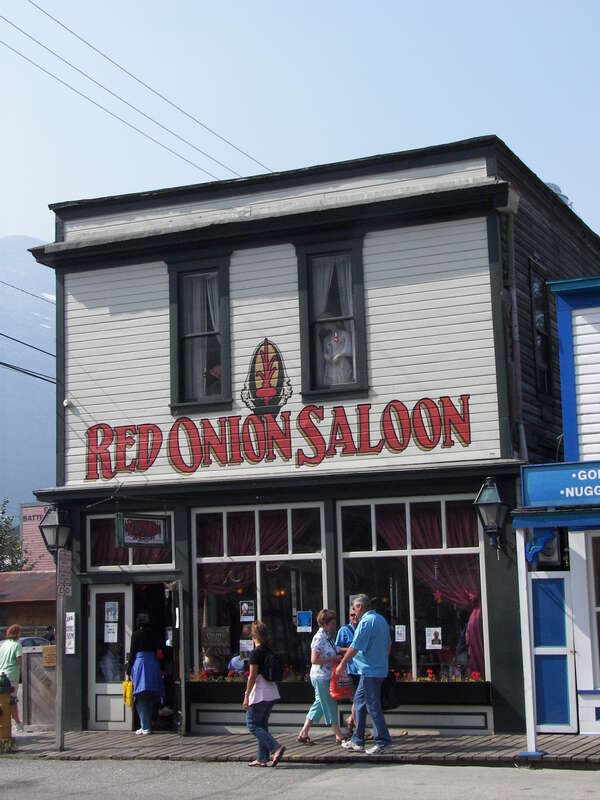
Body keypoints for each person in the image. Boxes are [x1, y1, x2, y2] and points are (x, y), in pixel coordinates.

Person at [336, 594, 393, 755]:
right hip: (373, 669)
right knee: (359, 703)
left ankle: (383, 742)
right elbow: (388, 644)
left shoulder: (367, 622)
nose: (354, 612)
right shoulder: (380, 619)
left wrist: (342, 664)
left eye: (354, 608)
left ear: (360, 607)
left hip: (370, 671)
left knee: (372, 706)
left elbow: (355, 646)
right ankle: (357, 740)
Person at [297, 609, 344, 745]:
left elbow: (336, 649)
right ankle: (338, 734)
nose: (334, 625)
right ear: (325, 623)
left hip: (326, 675)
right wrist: (333, 658)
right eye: (332, 623)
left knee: (319, 703)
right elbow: (314, 659)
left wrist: (350, 651)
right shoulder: (319, 637)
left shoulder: (328, 636)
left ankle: (304, 732)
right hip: (320, 676)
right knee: (329, 704)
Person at [242, 621, 286, 768]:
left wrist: (247, 695)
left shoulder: (256, 653)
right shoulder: (269, 650)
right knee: (262, 725)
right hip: (272, 692)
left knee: (252, 725)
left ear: (254, 636)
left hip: (260, 693)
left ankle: (276, 747)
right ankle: (262, 758)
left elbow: (252, 676)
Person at [126, 612, 164, 736]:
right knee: (150, 695)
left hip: (140, 664)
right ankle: (147, 724)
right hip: (153, 664)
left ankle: (145, 726)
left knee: (140, 695)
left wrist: (128, 669)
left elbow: (132, 654)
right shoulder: (154, 634)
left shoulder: (136, 635)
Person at [335, 607, 359, 737]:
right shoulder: (344, 630)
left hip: (364, 667)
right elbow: (337, 648)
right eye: (352, 615)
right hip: (352, 669)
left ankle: (352, 720)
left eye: (356, 615)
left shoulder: (363, 628)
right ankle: (353, 722)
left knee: (360, 697)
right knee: (358, 696)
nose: (354, 617)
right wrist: (350, 650)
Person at [0, 624, 24, 732]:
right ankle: (18, 724)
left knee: (3, 701)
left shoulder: (4, 645)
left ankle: (6, 722)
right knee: (12, 700)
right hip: (12, 675)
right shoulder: (17, 645)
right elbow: (19, 660)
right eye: (19, 632)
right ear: (17, 633)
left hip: (1, 675)